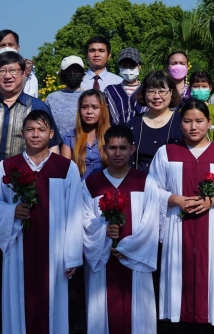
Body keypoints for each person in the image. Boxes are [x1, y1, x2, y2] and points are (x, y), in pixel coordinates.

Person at [0, 51, 60, 333]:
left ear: (23, 74)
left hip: (28, 201)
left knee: (26, 263)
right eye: (2, 71)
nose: (7, 76)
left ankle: (27, 320)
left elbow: (52, 147)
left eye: (14, 71)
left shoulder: (37, 107)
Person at [0, 110, 83, 334]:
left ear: (51, 134)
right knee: (19, 304)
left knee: (53, 306)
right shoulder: (6, 167)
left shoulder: (66, 168)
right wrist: (12, 211)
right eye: (30, 129)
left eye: (41, 130)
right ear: (21, 133)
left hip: (55, 252)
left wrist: (72, 256)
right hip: (18, 247)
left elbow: (75, 213)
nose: (35, 134)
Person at [150, 99, 214, 333]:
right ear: (180, 124)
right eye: (187, 121)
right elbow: (152, 189)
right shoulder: (167, 152)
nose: (193, 127)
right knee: (178, 292)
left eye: (199, 121)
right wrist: (174, 199)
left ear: (209, 123)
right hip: (177, 229)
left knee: (212, 290)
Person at [83, 125, 161, 334]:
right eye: (112, 148)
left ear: (132, 149)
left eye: (123, 148)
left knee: (138, 315)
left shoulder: (146, 182)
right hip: (104, 259)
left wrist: (127, 246)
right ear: (104, 149)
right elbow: (84, 221)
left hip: (137, 260)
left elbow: (152, 222)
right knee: (103, 312)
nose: (117, 153)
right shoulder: (92, 184)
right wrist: (104, 233)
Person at [126, 71, 184, 173]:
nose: (157, 96)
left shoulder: (181, 122)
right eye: (151, 91)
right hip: (139, 184)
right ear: (144, 93)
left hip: (172, 185)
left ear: (171, 92)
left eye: (162, 91)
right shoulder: (133, 124)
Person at [61, 89, 110, 180]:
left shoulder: (112, 137)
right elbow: (65, 172)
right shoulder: (69, 138)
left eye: (95, 107)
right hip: (78, 190)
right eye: (84, 107)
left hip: (106, 190)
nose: (89, 112)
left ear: (103, 110)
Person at [103, 47, 145, 125]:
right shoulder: (110, 91)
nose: (128, 69)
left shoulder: (147, 90)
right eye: (124, 66)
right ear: (119, 66)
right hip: (116, 134)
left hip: (142, 134)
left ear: (139, 66)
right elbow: (104, 117)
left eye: (132, 66)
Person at [45, 55, 85, 137]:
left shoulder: (90, 97)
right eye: (69, 71)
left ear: (83, 75)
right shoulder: (52, 99)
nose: (73, 74)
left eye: (77, 71)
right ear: (61, 75)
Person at [188, 71, 214, 140]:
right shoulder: (184, 110)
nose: (200, 89)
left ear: (210, 88)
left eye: (204, 86)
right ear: (190, 88)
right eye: (196, 86)